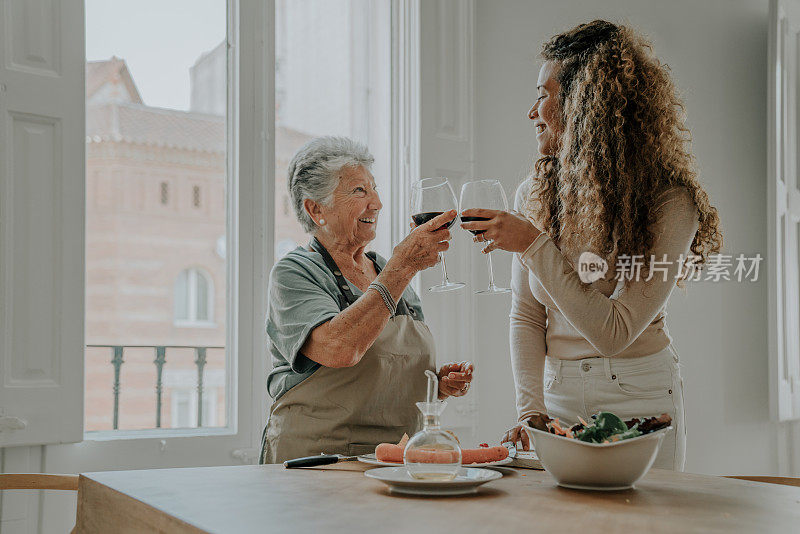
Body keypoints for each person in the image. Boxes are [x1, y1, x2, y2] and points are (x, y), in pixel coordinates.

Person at [460, 20, 722, 470]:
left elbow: (614, 333)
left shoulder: (670, 201)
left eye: (543, 95)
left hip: (639, 397)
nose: (532, 111)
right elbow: (526, 315)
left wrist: (533, 244)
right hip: (557, 397)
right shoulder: (536, 193)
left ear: (584, 102)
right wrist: (531, 411)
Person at [261, 136, 474, 463]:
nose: (376, 203)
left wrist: (436, 383)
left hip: (389, 460)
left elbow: (386, 365)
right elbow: (339, 348)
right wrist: (403, 266)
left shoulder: (384, 268)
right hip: (314, 463)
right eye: (360, 191)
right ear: (315, 209)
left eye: (374, 189)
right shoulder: (294, 272)